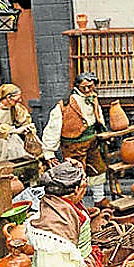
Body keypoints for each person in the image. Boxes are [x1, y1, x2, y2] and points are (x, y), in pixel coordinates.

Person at [41, 72, 108, 208]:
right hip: (73, 146)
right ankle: (76, 204)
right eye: (84, 87)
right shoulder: (64, 106)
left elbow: (98, 117)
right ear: (77, 86)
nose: (87, 90)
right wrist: (49, 152)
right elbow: (53, 128)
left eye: (90, 86)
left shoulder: (93, 99)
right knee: (75, 175)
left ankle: (99, 199)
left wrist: (102, 131)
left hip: (92, 142)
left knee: (97, 169)